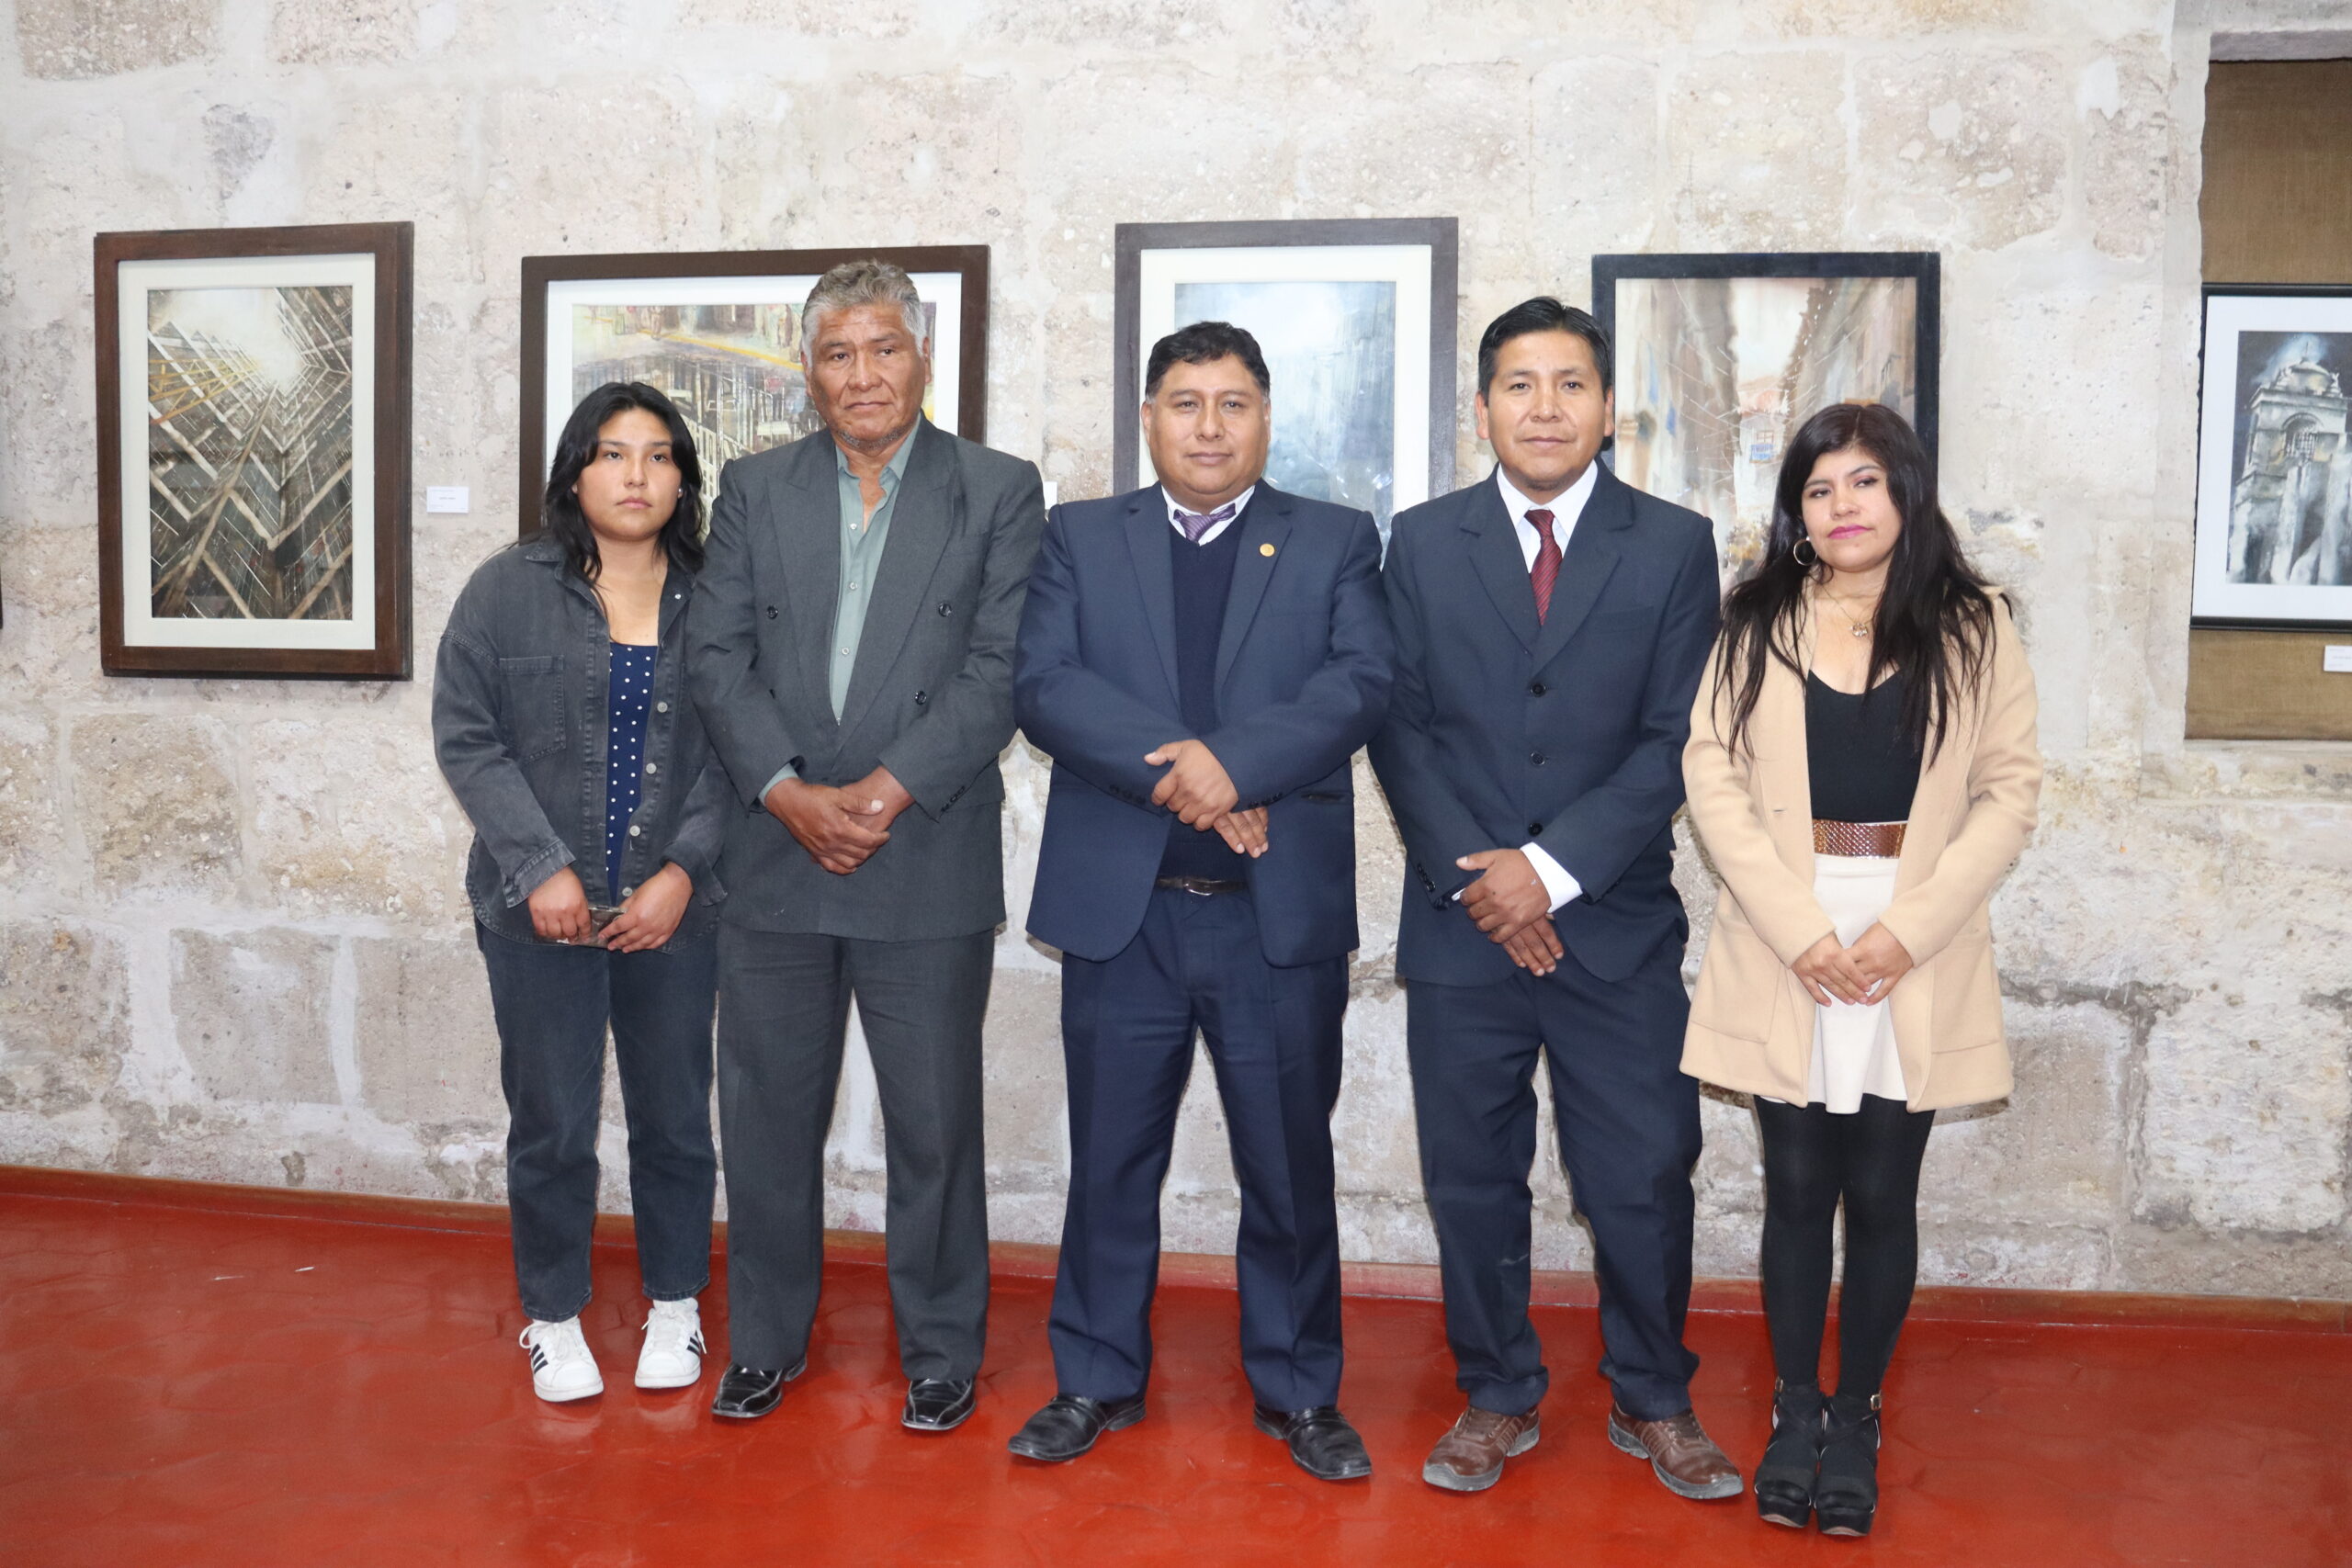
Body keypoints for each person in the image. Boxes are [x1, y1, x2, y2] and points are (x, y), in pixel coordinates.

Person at [1006, 321, 1394, 1480]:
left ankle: (1300, 1392)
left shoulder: (1334, 538)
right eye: (1185, 403)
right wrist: (1196, 776)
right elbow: (1046, 686)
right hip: (1122, 917)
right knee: (1109, 1161)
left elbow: (1359, 684)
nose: (1209, 426)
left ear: (1265, 418)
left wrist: (1238, 767)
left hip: (1272, 919)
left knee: (1288, 1166)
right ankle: (1093, 1378)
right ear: (1148, 418)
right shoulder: (1080, 535)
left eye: (1233, 403)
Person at [1368, 299, 1735, 1499]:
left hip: (1612, 923)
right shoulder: (1422, 543)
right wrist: (1489, 880)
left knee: (1642, 1171)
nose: (1544, 407)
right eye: (1519, 385)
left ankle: (1654, 1395)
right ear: (1482, 409)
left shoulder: (1671, 544)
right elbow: (1400, 728)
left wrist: (1553, 873)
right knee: (1472, 1177)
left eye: (1570, 384)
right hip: (1463, 923)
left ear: (1607, 408)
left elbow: (1675, 736)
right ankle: (1497, 1391)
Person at [684, 259, 1046, 1432]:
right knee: (765, 1119)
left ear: (922, 357)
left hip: (923, 854)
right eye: (837, 353)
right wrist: (787, 794)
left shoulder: (996, 489)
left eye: (884, 347)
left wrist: (884, 794)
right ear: (809, 370)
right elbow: (716, 660)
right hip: (776, 856)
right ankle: (765, 1341)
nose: (862, 374)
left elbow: (1000, 670)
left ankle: (939, 1350)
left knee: (933, 1124)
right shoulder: (755, 488)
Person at [1680, 402, 2041, 1537]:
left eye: (1864, 482)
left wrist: (1907, 931)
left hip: (1910, 938)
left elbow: (2008, 791)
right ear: (1797, 511)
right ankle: (1794, 1411)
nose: (1842, 506)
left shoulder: (1974, 625)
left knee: (1883, 1191)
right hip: (1787, 933)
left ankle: (1857, 1416)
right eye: (1819, 488)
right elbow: (1712, 775)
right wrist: (1799, 930)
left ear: (1905, 494)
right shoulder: (1755, 623)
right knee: (1796, 1189)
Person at [434, 381, 730, 1403]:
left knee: (675, 1119)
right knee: (552, 1121)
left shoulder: (719, 597)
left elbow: (739, 751)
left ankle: (676, 1303)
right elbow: (467, 737)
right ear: (574, 473)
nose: (635, 475)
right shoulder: (503, 589)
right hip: (538, 915)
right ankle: (553, 1317)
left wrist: (682, 872)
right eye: (612, 453)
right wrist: (540, 865)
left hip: (674, 915)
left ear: (683, 478)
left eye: (658, 455)